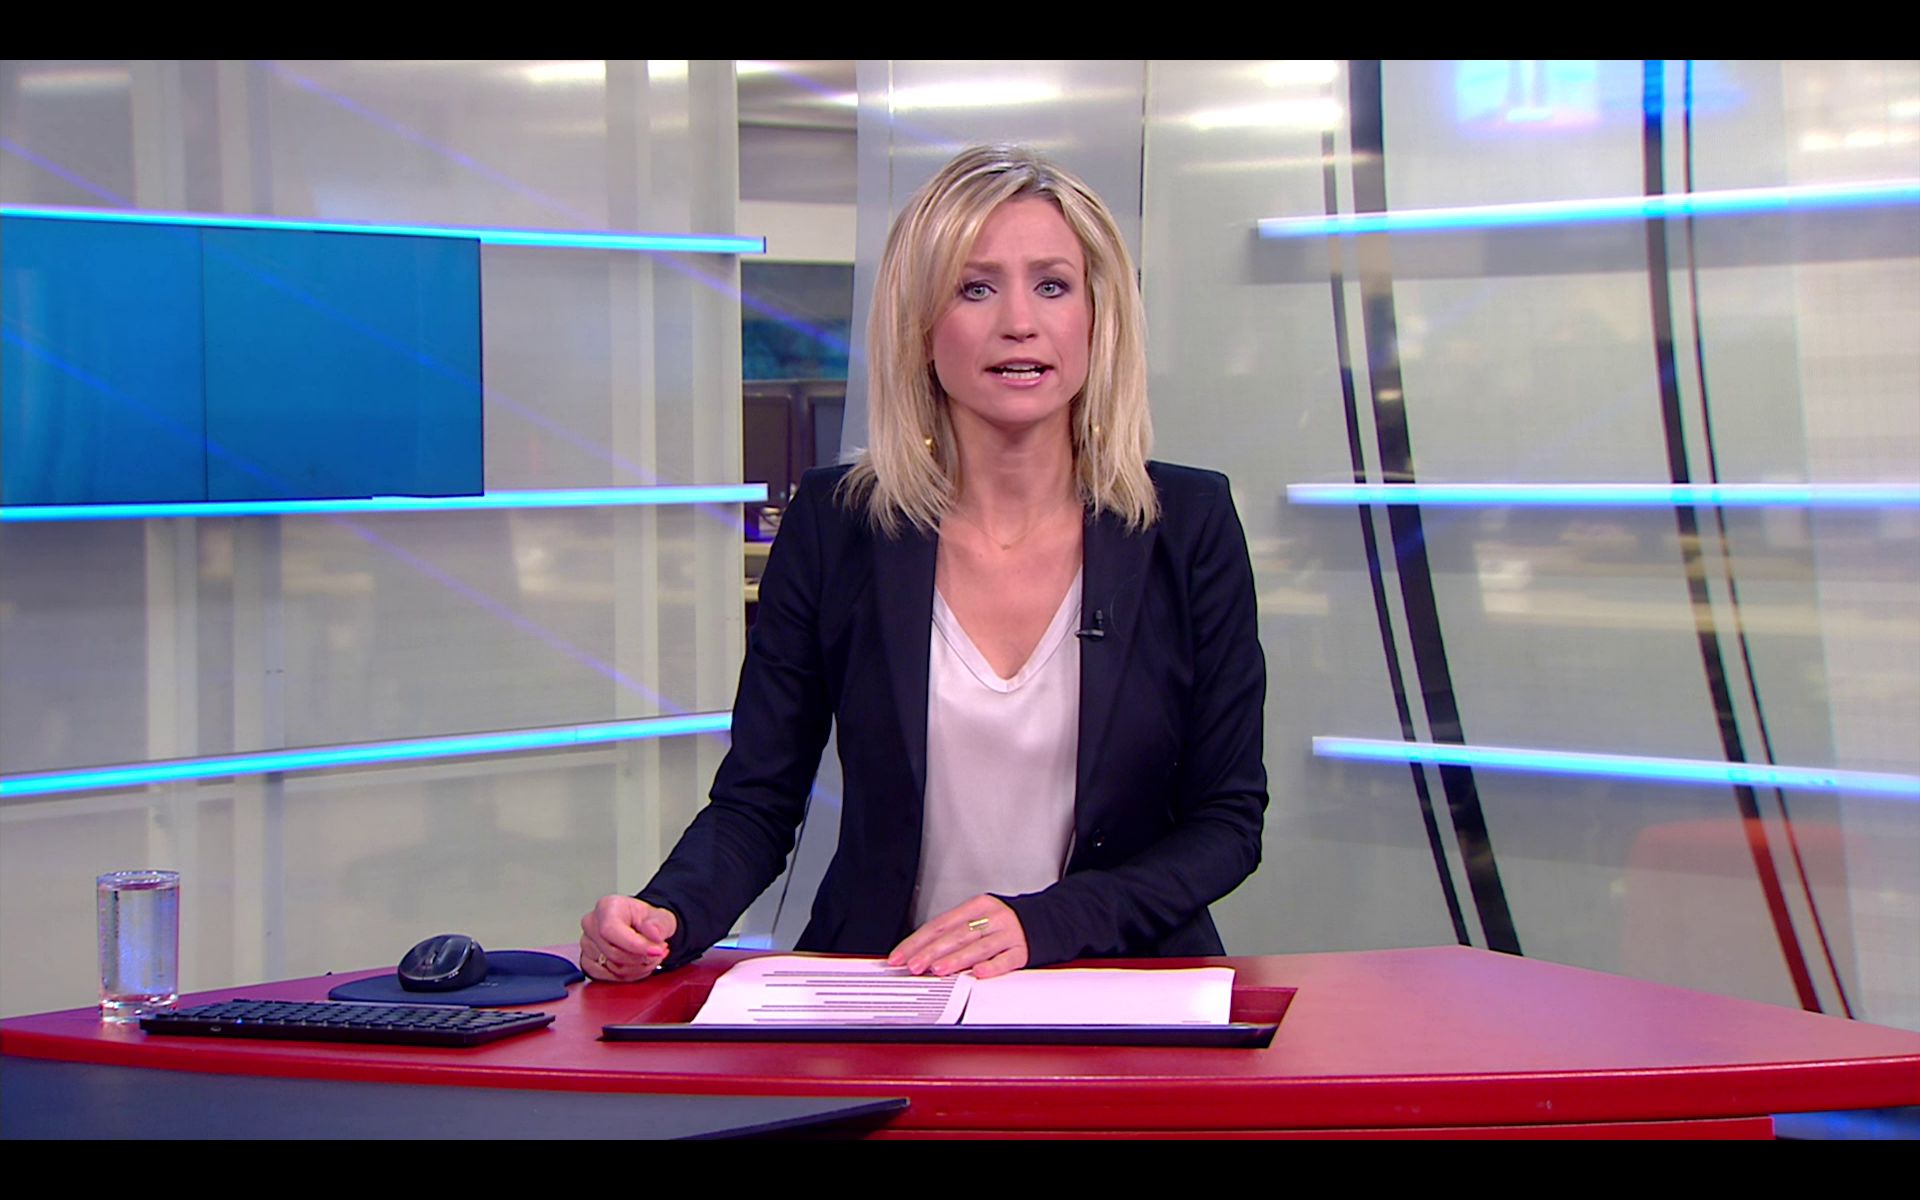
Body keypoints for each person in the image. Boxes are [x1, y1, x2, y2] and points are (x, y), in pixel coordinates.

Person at [580, 144, 1266, 983]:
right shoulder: (838, 524)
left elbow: (1227, 820)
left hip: (1120, 986)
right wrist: (665, 914)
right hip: (890, 986)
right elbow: (757, 801)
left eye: (1053, 285)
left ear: (1098, 315)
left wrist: (1047, 922)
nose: (1020, 321)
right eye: (976, 288)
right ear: (920, 325)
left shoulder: (1186, 524)